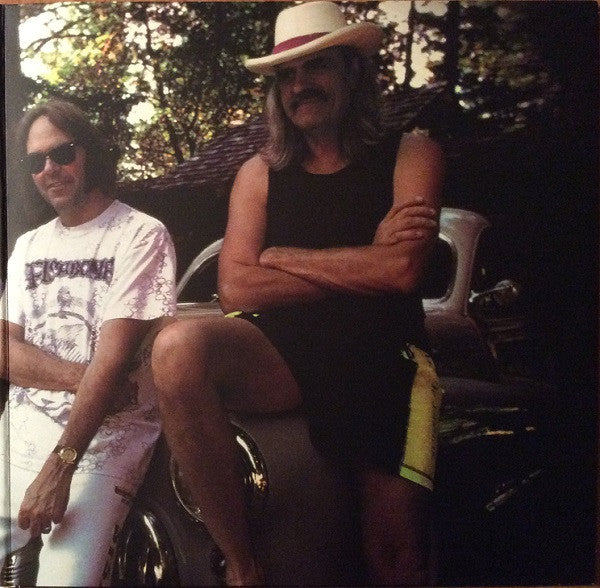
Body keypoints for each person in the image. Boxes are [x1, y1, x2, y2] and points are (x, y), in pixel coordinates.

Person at [152, 1, 444, 585]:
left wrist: (282, 257)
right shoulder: (259, 172)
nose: (298, 85)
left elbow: (402, 272)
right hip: (283, 355)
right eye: (286, 75)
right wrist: (364, 260)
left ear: (352, 73)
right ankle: (243, 566)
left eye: (316, 67)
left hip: (385, 360)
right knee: (176, 348)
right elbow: (236, 285)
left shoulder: (411, 153)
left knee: (395, 557)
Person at [0, 99, 177, 586]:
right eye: (36, 161)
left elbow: (114, 358)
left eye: (62, 153)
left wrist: (59, 468)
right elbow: (4, 349)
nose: (49, 169)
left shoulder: (141, 235)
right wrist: (91, 377)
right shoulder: (28, 246)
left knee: (66, 580)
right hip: (20, 436)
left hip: (103, 445)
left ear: (91, 153)